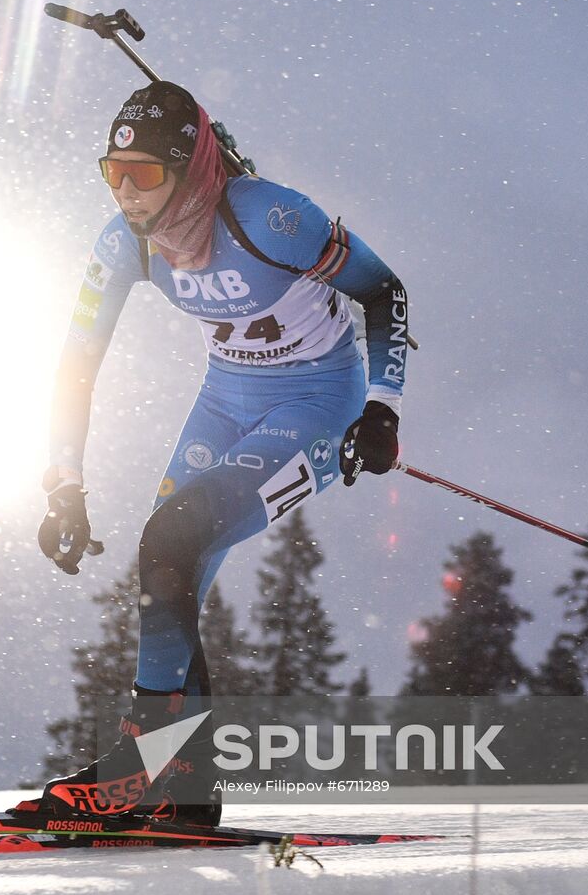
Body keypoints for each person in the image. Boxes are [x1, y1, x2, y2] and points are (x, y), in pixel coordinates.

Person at [26, 81, 409, 827]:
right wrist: (63, 483)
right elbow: (77, 362)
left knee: (171, 538)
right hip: (226, 397)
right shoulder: (125, 241)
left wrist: (381, 409)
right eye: (112, 173)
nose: (126, 193)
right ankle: (189, 786)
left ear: (190, 169)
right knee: (171, 571)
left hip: (316, 405)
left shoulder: (272, 218)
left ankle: (141, 770)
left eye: (143, 174)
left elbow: (383, 291)